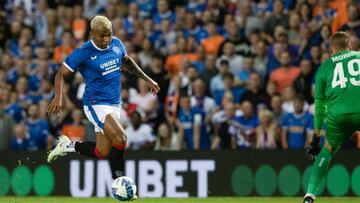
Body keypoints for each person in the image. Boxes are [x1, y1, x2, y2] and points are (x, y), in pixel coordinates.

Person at [47, 16, 160, 201]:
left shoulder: (117, 44)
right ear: (92, 34)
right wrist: (58, 96)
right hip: (95, 104)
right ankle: (120, 183)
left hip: (114, 104)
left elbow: (128, 62)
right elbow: (61, 73)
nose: (106, 39)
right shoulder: (83, 52)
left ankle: (67, 146)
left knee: (103, 151)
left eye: (109, 35)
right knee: (121, 138)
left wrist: (148, 80)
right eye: (102, 36)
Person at [304, 32, 360, 203]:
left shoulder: (324, 68)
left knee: (327, 150)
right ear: (349, 46)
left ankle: (309, 195)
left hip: (338, 117)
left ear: (331, 49)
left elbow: (320, 106)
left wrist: (316, 137)